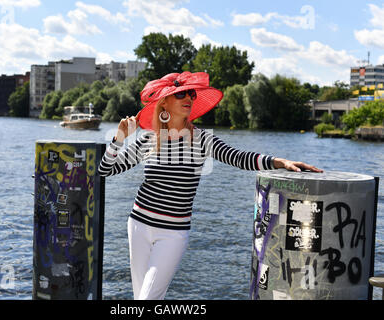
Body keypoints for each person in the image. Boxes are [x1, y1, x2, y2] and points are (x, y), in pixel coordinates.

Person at [98, 71, 322, 300]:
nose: (189, 98)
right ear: (164, 102)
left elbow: (237, 156)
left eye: (191, 94)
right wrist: (119, 139)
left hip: (173, 233)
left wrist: (278, 162)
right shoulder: (148, 140)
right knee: (140, 297)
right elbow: (105, 170)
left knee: (148, 298)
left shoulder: (201, 139)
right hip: (138, 225)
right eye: (181, 94)